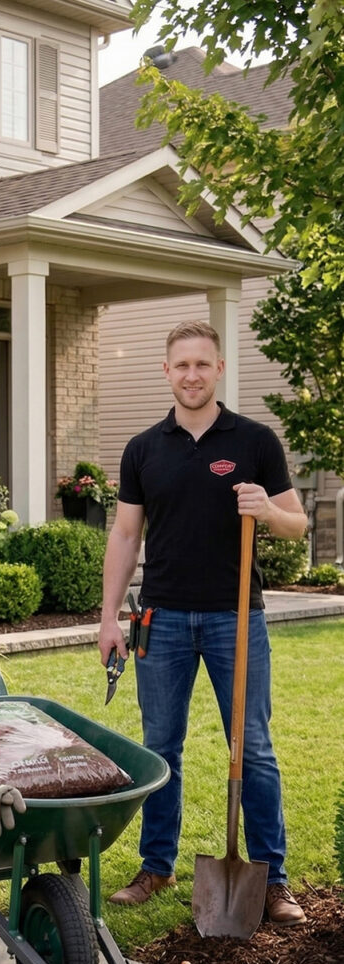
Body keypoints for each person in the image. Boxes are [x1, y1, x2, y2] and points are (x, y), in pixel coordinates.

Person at [98, 319, 307, 927]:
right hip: (160, 618)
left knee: (255, 748)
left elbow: (296, 523)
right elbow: (125, 533)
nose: (191, 374)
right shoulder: (143, 448)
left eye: (202, 364)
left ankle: (272, 880)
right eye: (180, 364)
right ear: (167, 372)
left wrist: (266, 508)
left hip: (235, 617)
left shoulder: (255, 440)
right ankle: (156, 866)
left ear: (219, 369)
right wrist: (110, 616)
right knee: (161, 746)